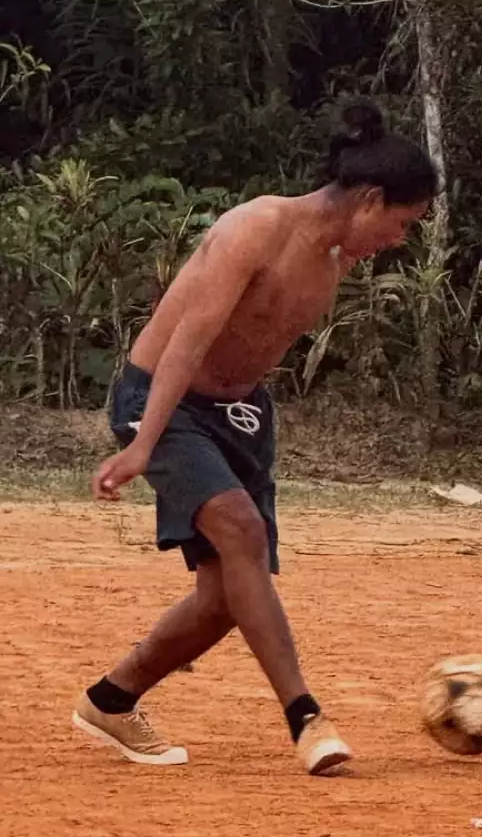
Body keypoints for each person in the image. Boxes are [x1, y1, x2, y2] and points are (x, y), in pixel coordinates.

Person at [73, 103, 437, 775]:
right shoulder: (256, 228)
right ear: (371, 199)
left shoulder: (336, 257)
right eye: (403, 223)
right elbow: (188, 342)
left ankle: (112, 698)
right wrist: (143, 443)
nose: (400, 239)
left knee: (225, 597)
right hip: (165, 400)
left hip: (242, 417)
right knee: (240, 532)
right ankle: (306, 717)